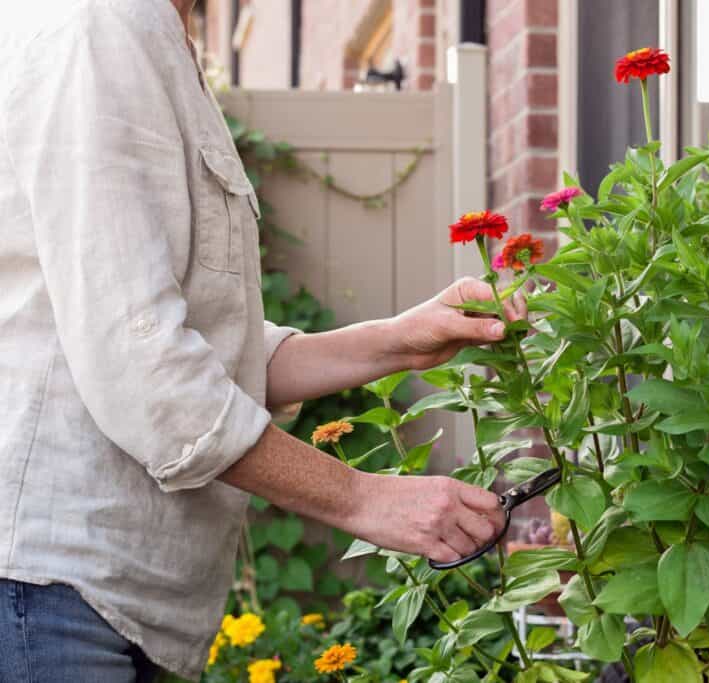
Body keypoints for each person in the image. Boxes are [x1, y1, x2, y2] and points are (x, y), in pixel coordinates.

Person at [0, 1, 514, 680]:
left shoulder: (153, 35)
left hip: (87, 598)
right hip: (48, 593)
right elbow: (148, 370)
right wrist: (365, 497)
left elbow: (205, 353)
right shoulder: (99, 26)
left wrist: (399, 339)